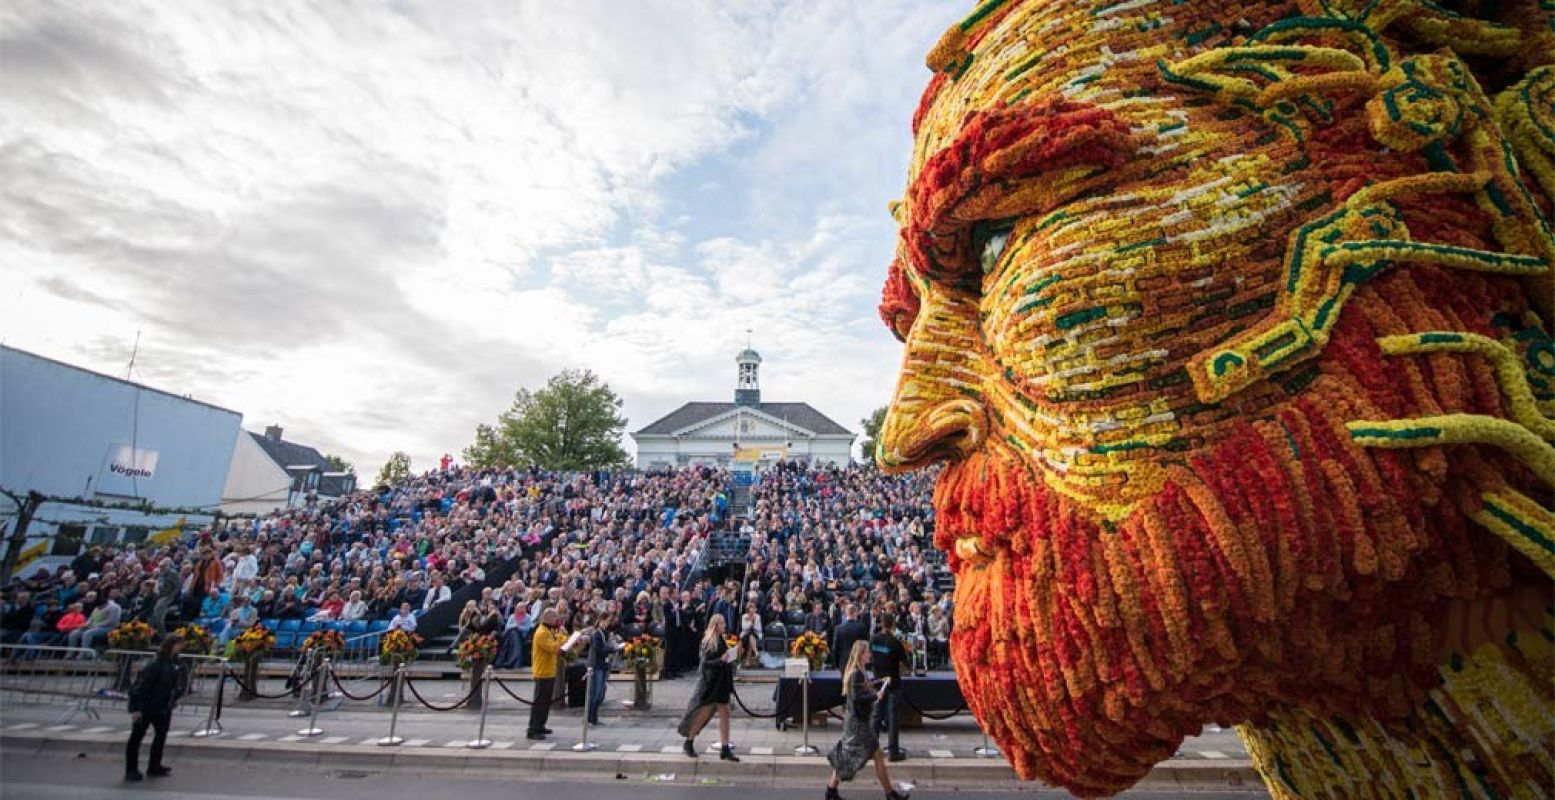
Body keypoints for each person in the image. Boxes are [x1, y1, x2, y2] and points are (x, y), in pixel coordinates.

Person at [824, 640, 908, 800]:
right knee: (857, 757)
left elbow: (862, 688)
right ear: (861, 654)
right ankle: (890, 794)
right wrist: (876, 695)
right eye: (868, 652)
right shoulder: (856, 673)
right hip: (858, 726)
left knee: (856, 756)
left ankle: (831, 791)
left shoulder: (858, 671)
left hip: (857, 724)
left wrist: (879, 682)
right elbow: (857, 697)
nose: (870, 654)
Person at [677, 613, 739, 762]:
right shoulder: (708, 642)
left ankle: (725, 747)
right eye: (722, 623)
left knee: (725, 714)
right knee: (703, 714)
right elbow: (705, 664)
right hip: (711, 684)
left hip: (722, 682)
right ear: (715, 625)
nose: (724, 626)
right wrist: (720, 660)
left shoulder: (722, 640)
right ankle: (689, 740)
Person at [125, 633, 186, 781]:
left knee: (160, 736)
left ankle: (155, 765)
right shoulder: (155, 665)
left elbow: (172, 685)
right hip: (147, 706)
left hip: (163, 706)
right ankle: (131, 769)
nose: (181, 648)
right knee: (136, 738)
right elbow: (140, 687)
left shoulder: (172, 663)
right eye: (179, 645)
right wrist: (136, 708)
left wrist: (174, 698)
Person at [869, 611, 910, 762]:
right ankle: (893, 752)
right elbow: (905, 665)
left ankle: (872, 750)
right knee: (893, 719)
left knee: (876, 717)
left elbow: (870, 658)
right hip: (893, 684)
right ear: (892, 625)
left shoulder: (873, 639)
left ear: (880, 623)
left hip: (878, 682)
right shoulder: (895, 642)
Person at [526, 608, 562, 740]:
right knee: (539, 701)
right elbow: (553, 648)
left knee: (546, 701)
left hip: (549, 670)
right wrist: (559, 636)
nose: (556, 620)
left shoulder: (548, 630)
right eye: (554, 617)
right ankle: (533, 728)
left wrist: (560, 636)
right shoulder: (542, 632)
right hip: (542, 672)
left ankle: (541, 725)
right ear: (547, 618)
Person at [585, 611, 619, 725]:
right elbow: (599, 649)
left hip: (604, 665)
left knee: (601, 693)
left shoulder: (606, 633)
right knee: (596, 693)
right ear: (601, 620)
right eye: (607, 621)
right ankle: (590, 717)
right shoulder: (596, 633)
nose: (608, 623)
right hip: (596, 665)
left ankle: (594, 716)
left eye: (609, 621)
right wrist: (613, 648)